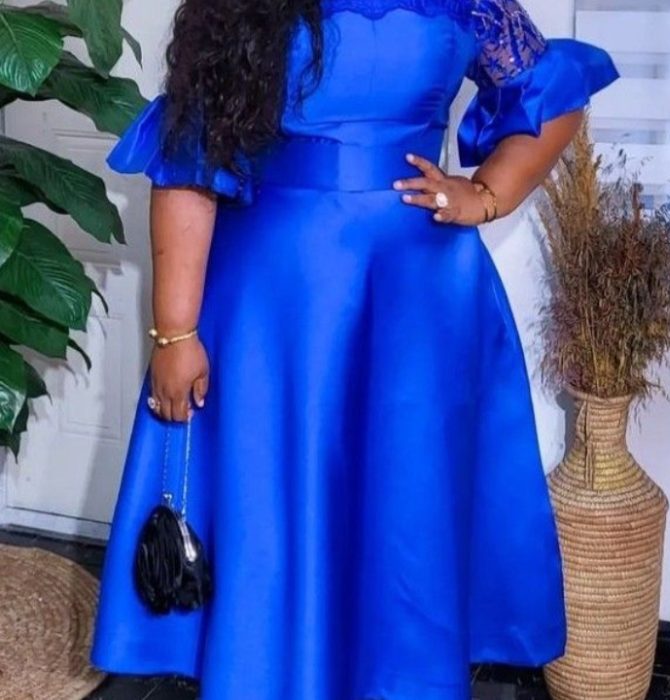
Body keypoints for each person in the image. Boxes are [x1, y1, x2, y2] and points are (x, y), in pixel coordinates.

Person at [91, 1, 619, 698]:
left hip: (418, 304)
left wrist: (487, 194)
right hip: (277, 305)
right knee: (278, 502)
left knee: (407, 506)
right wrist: (175, 332)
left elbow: (553, 92)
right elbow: (189, 162)